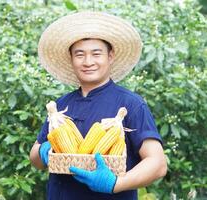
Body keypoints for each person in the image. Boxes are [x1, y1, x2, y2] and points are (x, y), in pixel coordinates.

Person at [29, 11, 167, 200]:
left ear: (110, 56)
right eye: (79, 54)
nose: (88, 62)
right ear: (71, 58)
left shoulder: (131, 104)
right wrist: (44, 151)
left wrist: (115, 184)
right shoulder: (60, 105)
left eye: (96, 54)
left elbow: (158, 164)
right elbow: (35, 159)